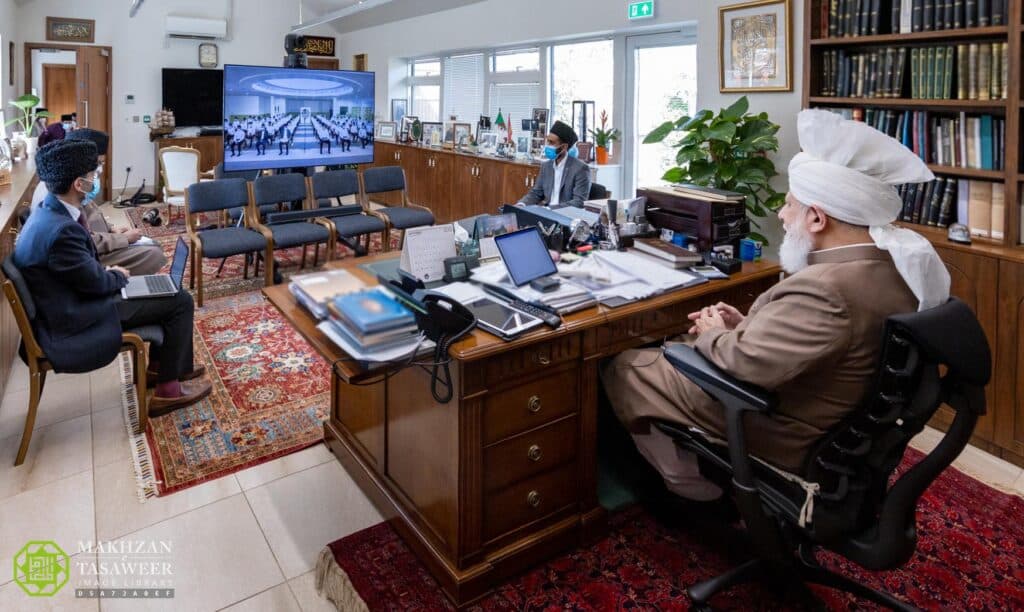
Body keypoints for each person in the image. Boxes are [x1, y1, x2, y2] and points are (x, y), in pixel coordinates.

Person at [602, 109, 951, 505]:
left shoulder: (828, 291)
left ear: (817, 218)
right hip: (830, 418)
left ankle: (689, 483)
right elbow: (815, 343)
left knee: (626, 364)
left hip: (781, 429)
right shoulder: (892, 268)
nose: (781, 216)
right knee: (677, 345)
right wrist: (745, 324)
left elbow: (742, 363)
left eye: (788, 205)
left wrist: (716, 333)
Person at [14, 139, 211, 414]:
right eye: (92, 175)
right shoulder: (62, 231)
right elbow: (96, 284)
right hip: (77, 317)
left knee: (163, 293)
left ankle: (162, 369)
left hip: (68, 302)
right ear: (78, 184)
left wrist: (103, 272)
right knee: (179, 300)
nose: (97, 179)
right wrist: (116, 275)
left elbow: (78, 272)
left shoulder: (49, 212)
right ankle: (169, 391)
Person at [63, 129, 167, 276]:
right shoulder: (66, 192)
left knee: (152, 246)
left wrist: (111, 230)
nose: (98, 171)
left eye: (102, 164)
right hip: (91, 257)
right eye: (97, 164)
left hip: (101, 242)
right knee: (153, 253)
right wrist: (121, 239)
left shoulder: (77, 187)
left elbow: (92, 217)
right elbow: (81, 241)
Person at [517, 120, 590, 209]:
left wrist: (550, 209)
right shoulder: (546, 166)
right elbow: (536, 193)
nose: (547, 145)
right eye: (547, 141)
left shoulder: (580, 169)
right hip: (546, 212)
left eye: (551, 142)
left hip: (566, 216)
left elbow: (578, 202)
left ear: (564, 147)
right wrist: (521, 204)